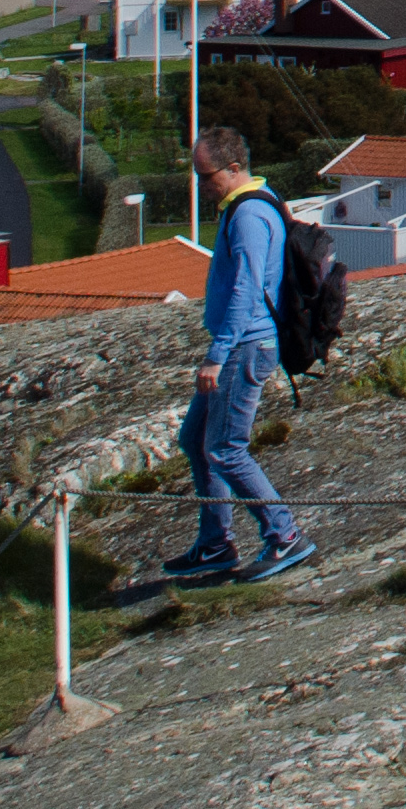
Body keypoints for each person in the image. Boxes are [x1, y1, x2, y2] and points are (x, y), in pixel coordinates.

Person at [165, 125, 314, 584]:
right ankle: (216, 543)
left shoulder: (248, 214)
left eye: (206, 176)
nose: (200, 185)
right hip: (242, 343)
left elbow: (246, 291)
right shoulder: (254, 202)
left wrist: (216, 354)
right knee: (196, 440)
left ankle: (285, 535)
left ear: (233, 168)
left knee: (225, 449)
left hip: (245, 346)